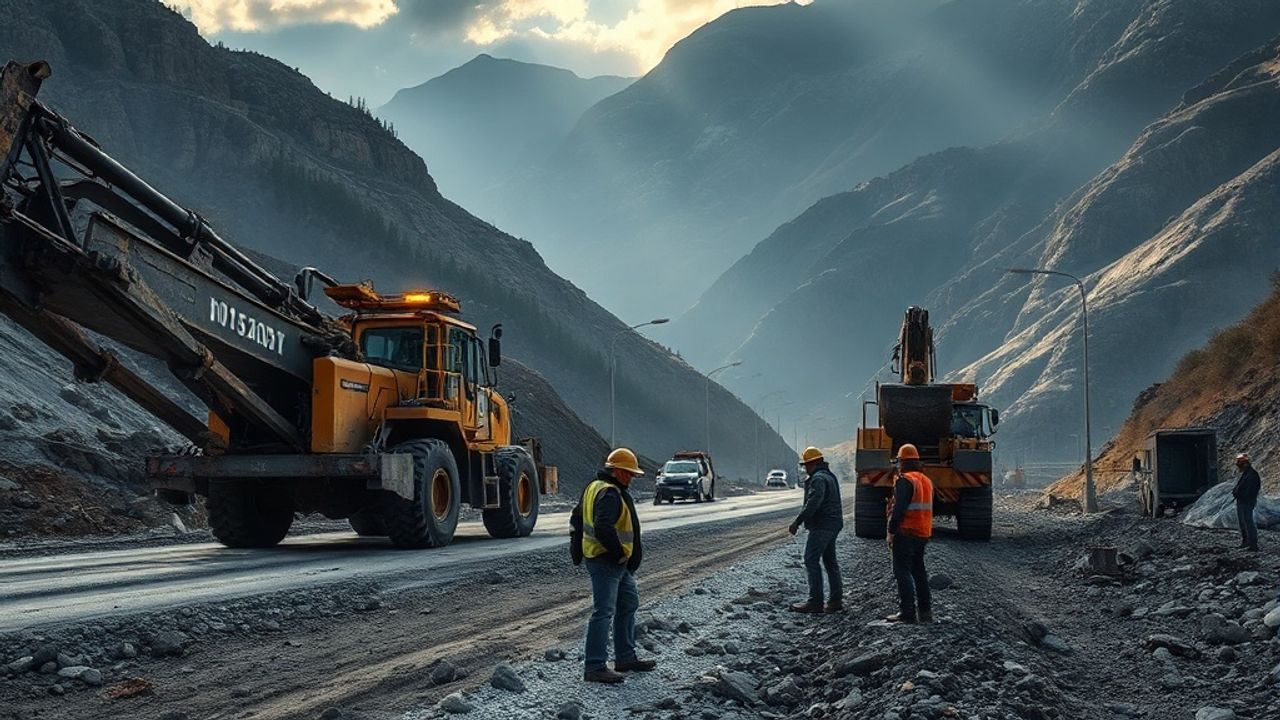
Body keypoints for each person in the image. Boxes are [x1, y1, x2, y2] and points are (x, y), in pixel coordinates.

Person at [572, 448, 656, 683]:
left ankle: (625, 657)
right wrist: (619, 553)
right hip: (606, 561)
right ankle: (595, 666)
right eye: (628, 473)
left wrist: (576, 549)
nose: (631, 478)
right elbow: (602, 527)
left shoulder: (595, 487)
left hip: (613, 563)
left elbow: (576, 518)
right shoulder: (609, 492)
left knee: (629, 603)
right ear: (617, 471)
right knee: (604, 611)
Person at [788, 446, 845, 613]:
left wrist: (797, 522)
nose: (805, 468)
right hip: (833, 524)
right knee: (830, 562)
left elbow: (813, 503)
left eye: (806, 465)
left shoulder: (818, 479)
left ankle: (815, 602)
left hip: (822, 525)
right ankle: (835, 600)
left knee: (811, 560)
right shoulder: (829, 476)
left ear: (812, 463)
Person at [887, 444, 933, 624]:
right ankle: (925, 612)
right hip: (922, 533)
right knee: (919, 571)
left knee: (901, 570)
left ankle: (907, 613)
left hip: (906, 532)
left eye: (899, 462)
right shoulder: (926, 481)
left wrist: (891, 531)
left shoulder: (905, 480)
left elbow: (899, 510)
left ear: (903, 462)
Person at [1233, 452, 1261, 552]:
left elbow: (1250, 491)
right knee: (1243, 522)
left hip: (1247, 502)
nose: (1239, 467)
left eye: (1240, 465)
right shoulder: (1246, 474)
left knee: (1248, 522)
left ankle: (1253, 544)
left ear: (1245, 464)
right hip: (1242, 501)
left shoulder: (1252, 475)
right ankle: (1246, 542)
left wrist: (1239, 494)